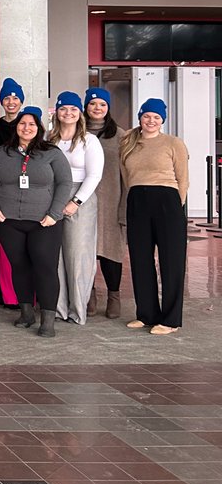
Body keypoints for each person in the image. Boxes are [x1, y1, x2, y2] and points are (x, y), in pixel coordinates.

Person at [0, 105, 75, 338]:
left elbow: (65, 183)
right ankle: (26, 312)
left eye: (32, 124)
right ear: (16, 127)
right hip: (9, 220)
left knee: (45, 267)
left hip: (44, 221)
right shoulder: (1, 153)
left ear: (39, 128)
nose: (26, 128)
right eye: (22, 124)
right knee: (19, 266)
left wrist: (54, 214)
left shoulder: (52, 152)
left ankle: (47, 318)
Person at [120, 98, 189, 335]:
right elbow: (125, 175)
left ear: (162, 121)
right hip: (137, 199)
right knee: (140, 259)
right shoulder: (129, 143)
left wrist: (175, 205)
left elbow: (183, 179)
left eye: (156, 117)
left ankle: (170, 320)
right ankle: (146, 314)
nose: (151, 121)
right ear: (140, 117)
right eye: (147, 116)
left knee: (171, 261)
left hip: (167, 201)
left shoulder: (173, 143)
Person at [49, 92, 104, 326]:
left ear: (79, 113)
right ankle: (58, 308)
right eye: (63, 109)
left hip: (80, 197)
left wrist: (76, 201)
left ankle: (77, 309)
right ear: (57, 112)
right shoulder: (48, 138)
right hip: (52, 197)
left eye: (73, 109)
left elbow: (94, 175)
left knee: (78, 255)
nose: (68, 113)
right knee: (56, 257)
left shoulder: (89, 140)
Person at [84, 87, 126, 319]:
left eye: (102, 104)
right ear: (86, 107)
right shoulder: (77, 132)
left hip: (111, 201)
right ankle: (89, 295)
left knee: (111, 252)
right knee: (85, 251)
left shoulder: (120, 135)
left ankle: (114, 296)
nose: (97, 108)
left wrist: (124, 208)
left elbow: (126, 174)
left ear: (108, 108)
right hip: (84, 203)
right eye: (92, 104)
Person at [0, 78, 24, 148]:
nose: (11, 102)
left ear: (21, 102)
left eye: (15, 98)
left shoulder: (28, 125)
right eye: (6, 98)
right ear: (2, 102)